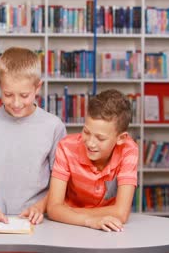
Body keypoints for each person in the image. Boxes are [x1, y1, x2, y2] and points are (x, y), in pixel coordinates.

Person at [0, 47, 66, 225]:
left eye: (24, 95)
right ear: (0, 85)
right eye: (8, 94)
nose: (16, 103)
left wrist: (40, 207)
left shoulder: (54, 126)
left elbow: (60, 183)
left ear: (37, 87)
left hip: (41, 220)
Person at [47, 89, 138, 232]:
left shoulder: (129, 150)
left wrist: (68, 212)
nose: (90, 143)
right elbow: (53, 208)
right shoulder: (66, 147)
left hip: (108, 227)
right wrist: (90, 220)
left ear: (121, 138)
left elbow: (121, 213)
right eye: (86, 132)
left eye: (100, 138)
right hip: (70, 227)